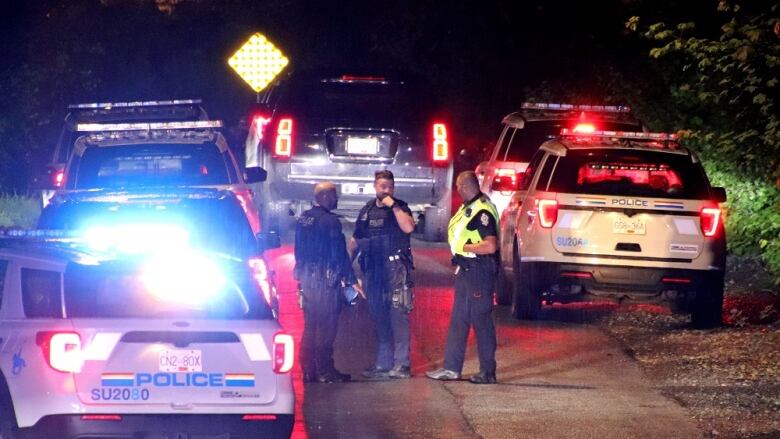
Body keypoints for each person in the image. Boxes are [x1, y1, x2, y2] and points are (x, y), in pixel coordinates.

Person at [426, 171, 499, 384]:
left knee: (481, 320)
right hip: (466, 269)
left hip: (479, 271)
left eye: (458, 188)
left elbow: (490, 245)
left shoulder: (481, 211)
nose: (457, 192)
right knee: (459, 320)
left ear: (465, 187)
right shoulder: (470, 206)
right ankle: (451, 368)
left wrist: (464, 247)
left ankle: (487, 372)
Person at [349, 170, 416, 379]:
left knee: (398, 315)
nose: (385, 190)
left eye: (389, 187)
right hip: (373, 270)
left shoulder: (400, 207)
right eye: (382, 186)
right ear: (375, 186)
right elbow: (355, 241)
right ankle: (383, 362)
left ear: (393, 188)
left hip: (395, 269)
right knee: (379, 317)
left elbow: (408, 228)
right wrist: (346, 269)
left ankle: (402, 364)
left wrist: (393, 205)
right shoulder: (367, 210)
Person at [295, 181, 363, 383]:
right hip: (326, 279)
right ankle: (325, 369)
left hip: (307, 277)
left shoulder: (303, 219)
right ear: (324, 197)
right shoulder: (330, 222)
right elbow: (338, 253)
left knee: (310, 325)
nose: (337, 199)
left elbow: (298, 250)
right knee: (327, 326)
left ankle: (308, 369)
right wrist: (350, 279)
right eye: (334, 196)